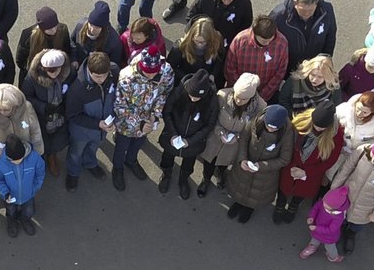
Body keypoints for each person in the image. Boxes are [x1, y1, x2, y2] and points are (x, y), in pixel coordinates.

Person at [328, 134, 374, 254]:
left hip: (366, 207)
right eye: (373, 155)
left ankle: (351, 235)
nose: (373, 160)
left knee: (357, 225)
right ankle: (340, 230)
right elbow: (346, 169)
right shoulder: (362, 150)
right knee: (340, 218)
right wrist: (335, 187)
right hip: (346, 196)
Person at [111, 49, 173, 191]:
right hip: (126, 123)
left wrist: (155, 115)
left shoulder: (166, 71)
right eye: (146, 71)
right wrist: (140, 122)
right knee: (122, 146)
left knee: (139, 142)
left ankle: (131, 160)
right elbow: (120, 106)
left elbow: (163, 94)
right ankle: (118, 168)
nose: (150, 75)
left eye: (154, 71)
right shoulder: (126, 77)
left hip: (148, 122)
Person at [275, 100, 343, 223]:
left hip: (311, 173)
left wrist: (306, 172)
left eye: (321, 127)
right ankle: (279, 206)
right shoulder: (301, 121)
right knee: (283, 188)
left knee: (301, 193)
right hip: (291, 165)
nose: (316, 128)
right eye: (315, 124)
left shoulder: (336, 135)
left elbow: (330, 160)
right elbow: (287, 143)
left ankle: (293, 208)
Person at [226, 104, 294, 223]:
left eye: (274, 128)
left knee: (256, 195)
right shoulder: (256, 121)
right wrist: (242, 159)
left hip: (265, 174)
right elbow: (244, 139)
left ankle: (249, 209)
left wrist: (261, 166)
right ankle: (238, 203)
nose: (270, 129)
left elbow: (284, 159)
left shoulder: (287, 134)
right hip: (246, 164)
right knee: (241, 187)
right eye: (268, 125)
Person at [200, 72, 265, 198]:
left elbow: (254, 129)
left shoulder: (260, 107)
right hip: (215, 138)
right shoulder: (222, 95)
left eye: (244, 99)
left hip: (236, 143)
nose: (239, 100)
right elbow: (212, 118)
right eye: (237, 96)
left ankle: (221, 174)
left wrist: (238, 137)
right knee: (209, 161)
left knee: (225, 162)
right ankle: (206, 179)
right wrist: (220, 132)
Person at [159, 69, 217, 198]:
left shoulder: (212, 100)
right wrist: (173, 133)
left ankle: (183, 180)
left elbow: (210, 125)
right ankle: (166, 175)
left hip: (193, 143)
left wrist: (190, 141)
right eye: (191, 95)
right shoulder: (179, 92)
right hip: (172, 136)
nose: (193, 99)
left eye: (197, 97)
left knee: (189, 163)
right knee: (167, 157)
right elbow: (167, 112)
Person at [64, 51, 118, 189]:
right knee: (76, 153)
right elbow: (73, 115)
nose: (101, 79)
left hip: (101, 131)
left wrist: (114, 119)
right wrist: (97, 124)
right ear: (89, 70)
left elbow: (117, 98)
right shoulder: (78, 89)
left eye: (104, 75)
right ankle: (73, 172)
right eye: (97, 76)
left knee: (94, 148)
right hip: (82, 132)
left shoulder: (113, 72)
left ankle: (90, 163)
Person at [21, 49, 73, 176]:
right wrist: (44, 107)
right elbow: (26, 97)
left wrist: (66, 105)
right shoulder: (33, 77)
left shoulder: (69, 72)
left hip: (60, 113)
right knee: (42, 136)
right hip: (42, 115)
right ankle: (42, 156)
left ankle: (52, 156)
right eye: (49, 71)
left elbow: (73, 89)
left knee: (57, 135)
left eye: (56, 70)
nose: (53, 74)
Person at [224, 15, 290, 104]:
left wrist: (262, 96)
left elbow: (280, 72)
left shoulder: (281, 43)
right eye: (264, 40)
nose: (268, 43)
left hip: (265, 96)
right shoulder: (240, 41)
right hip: (240, 96)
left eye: (270, 39)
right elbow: (230, 69)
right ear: (254, 33)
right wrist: (243, 92)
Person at [270, 0, 336, 75]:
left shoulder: (326, 11)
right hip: (287, 65)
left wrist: (326, 60)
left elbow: (330, 36)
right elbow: (269, 39)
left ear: (316, 4)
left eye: (310, 10)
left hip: (314, 66)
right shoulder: (278, 16)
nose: (307, 14)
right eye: (303, 10)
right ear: (295, 3)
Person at [0, 135, 46, 237]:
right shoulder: (0, 164)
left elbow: (40, 173)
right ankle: (12, 221)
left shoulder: (34, 158)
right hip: (10, 196)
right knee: (11, 211)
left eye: (20, 159)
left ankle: (24, 219)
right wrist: (5, 193)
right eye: (13, 160)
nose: (17, 162)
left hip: (28, 194)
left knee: (29, 211)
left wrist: (35, 188)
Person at [0, 82, 43, 159]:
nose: (2, 113)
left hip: (27, 155)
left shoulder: (27, 108)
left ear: (15, 106)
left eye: (6, 110)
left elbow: (35, 132)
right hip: (2, 159)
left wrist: (37, 154)